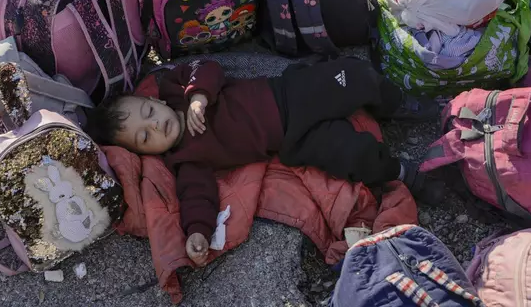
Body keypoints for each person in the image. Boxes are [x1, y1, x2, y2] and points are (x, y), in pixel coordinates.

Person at [86, 58, 440, 266]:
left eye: (148, 112)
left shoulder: (176, 93)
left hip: (290, 93)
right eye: (145, 137)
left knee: (353, 75)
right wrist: (197, 231)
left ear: (155, 101)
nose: (154, 125)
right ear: (146, 153)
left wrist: (198, 97)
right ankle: (402, 172)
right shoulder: (185, 159)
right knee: (350, 155)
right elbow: (197, 196)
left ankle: (395, 104)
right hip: (292, 141)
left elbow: (205, 67)